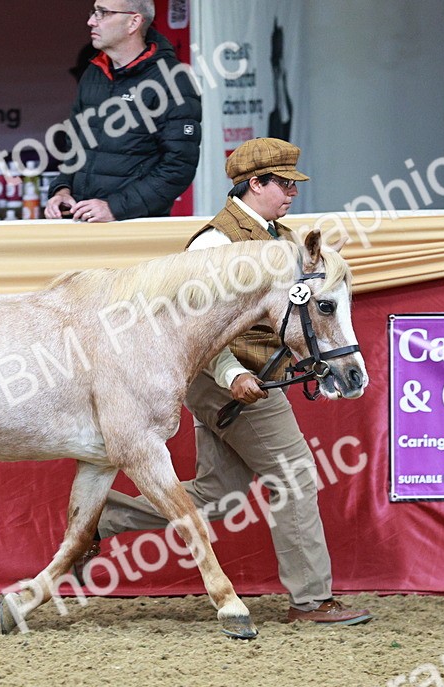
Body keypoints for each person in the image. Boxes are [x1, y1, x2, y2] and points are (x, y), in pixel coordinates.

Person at [82, 138, 374, 626]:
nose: (291, 193)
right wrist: (232, 374)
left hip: (241, 378)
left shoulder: (280, 239)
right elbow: (191, 327)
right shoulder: (215, 244)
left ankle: (100, 516)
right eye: (282, 184)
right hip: (229, 379)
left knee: (218, 494)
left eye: (292, 184)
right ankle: (311, 600)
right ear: (254, 184)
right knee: (296, 475)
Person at [44, 1, 201, 223]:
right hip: (82, 225)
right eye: (94, 12)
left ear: (133, 22)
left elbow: (178, 167)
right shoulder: (93, 72)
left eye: (103, 13)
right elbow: (75, 147)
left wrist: (115, 208)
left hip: (136, 229)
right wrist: (62, 190)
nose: (91, 21)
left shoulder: (173, 80)